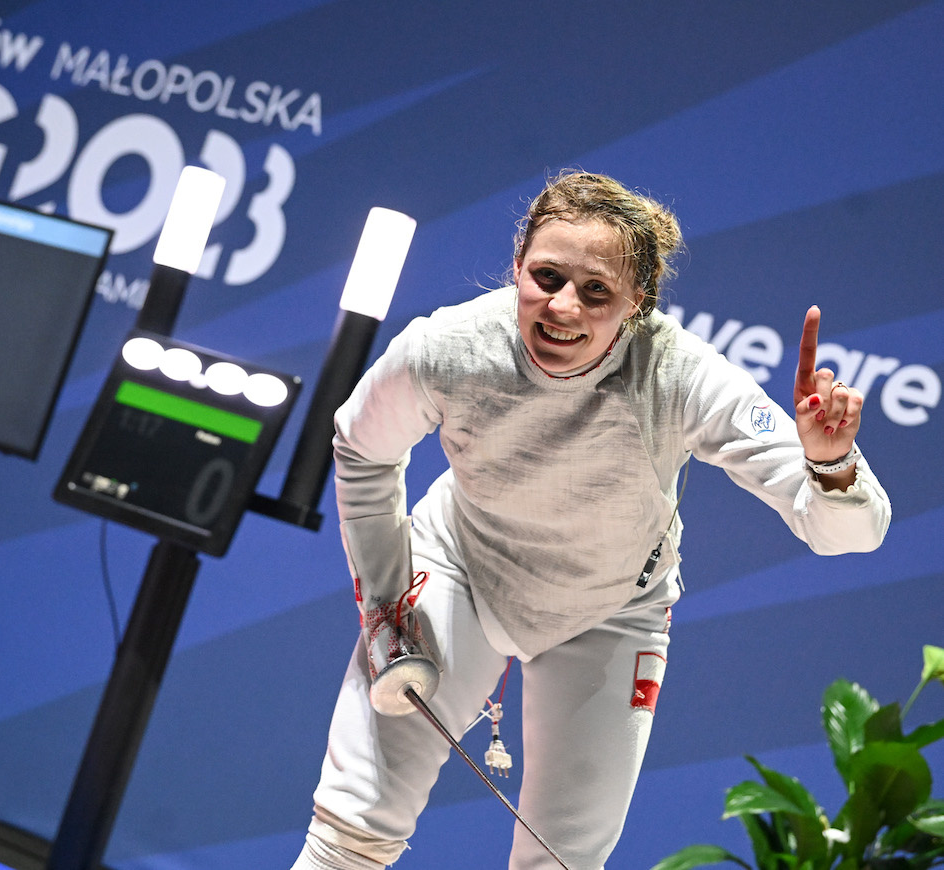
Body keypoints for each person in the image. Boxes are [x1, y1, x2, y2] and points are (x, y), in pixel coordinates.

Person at [290, 170, 891, 870]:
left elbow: (848, 532)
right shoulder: (447, 348)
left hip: (612, 608)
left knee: (562, 861)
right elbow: (362, 448)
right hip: (460, 569)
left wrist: (829, 465)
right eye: (546, 277)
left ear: (639, 303)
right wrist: (387, 605)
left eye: (597, 291)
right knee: (350, 833)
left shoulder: (681, 375)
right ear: (517, 265)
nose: (563, 308)